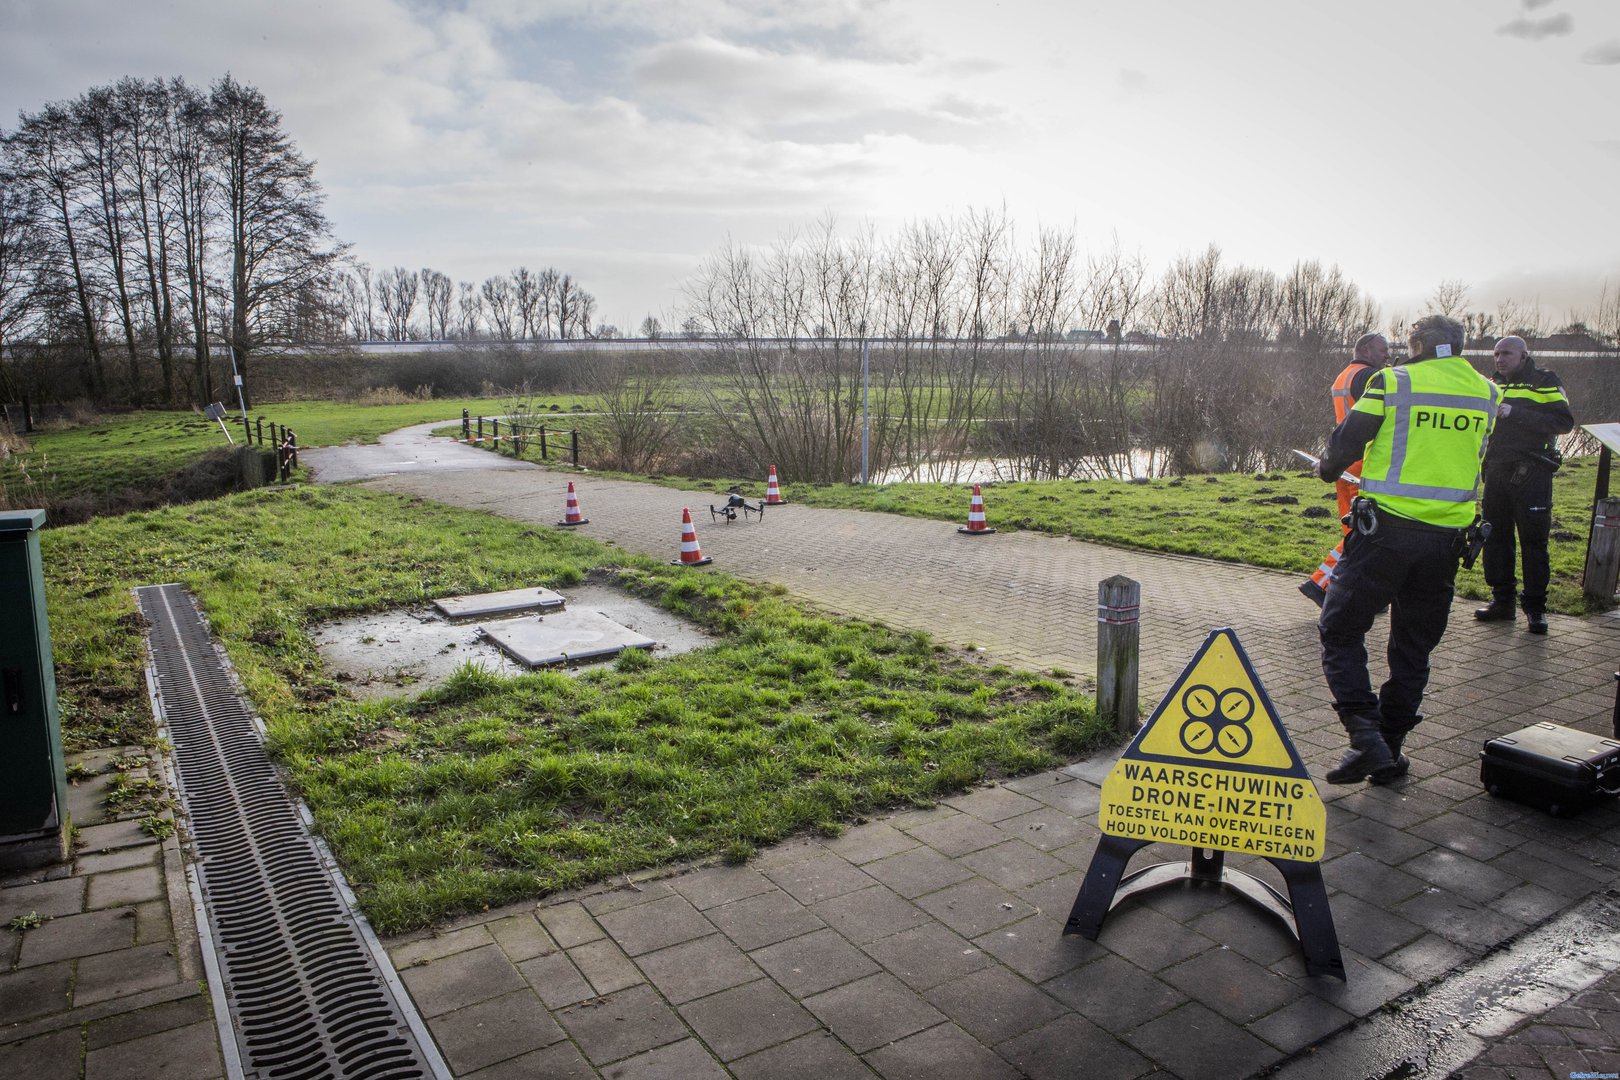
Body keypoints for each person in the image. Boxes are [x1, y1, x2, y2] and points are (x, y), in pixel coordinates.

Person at [1315, 315, 1498, 784]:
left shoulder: (1393, 381)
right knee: (1414, 648)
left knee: (1340, 628)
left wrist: (1328, 468)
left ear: (1416, 343)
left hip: (1385, 535)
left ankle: (1365, 735)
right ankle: (1389, 751)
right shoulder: (1486, 392)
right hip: (1448, 541)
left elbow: (1347, 441)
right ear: (1458, 346)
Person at [1472, 335, 1574, 634]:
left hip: (1532, 471)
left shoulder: (1544, 381)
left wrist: (1515, 413)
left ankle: (1535, 608)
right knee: (1495, 538)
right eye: (1495, 354)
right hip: (1496, 470)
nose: (1499, 359)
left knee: (1533, 541)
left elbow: (1564, 422)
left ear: (1523, 355)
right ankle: (1502, 602)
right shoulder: (1492, 383)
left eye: (1506, 354)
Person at [1300, 333, 1391, 606]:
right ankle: (1322, 583)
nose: (1387, 355)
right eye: (1382, 350)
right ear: (1365, 350)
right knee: (1362, 534)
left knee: (1356, 531)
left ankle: (1353, 591)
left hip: (1345, 463)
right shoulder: (1369, 377)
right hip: (1364, 466)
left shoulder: (1345, 375)